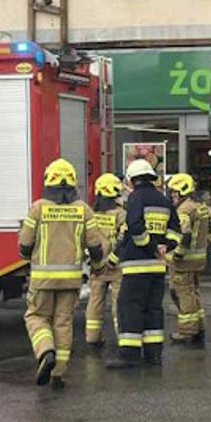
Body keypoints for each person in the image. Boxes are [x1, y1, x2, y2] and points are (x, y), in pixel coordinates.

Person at [20, 158, 105, 389]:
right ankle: (58, 372)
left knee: (36, 317)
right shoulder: (84, 210)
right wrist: (97, 266)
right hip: (71, 280)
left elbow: (24, 245)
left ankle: (45, 351)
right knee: (63, 322)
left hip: (42, 280)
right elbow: (96, 247)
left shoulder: (38, 208)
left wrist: (29, 257)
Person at [107, 157, 179, 368]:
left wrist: (150, 246)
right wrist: (166, 246)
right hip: (158, 267)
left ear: (132, 180)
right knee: (153, 309)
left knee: (130, 308)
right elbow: (176, 231)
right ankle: (153, 355)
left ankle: (129, 356)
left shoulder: (136, 198)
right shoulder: (164, 200)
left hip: (136, 266)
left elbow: (135, 227)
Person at [166, 172, 211, 345]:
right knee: (194, 292)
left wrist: (177, 255)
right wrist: (206, 242)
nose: (172, 195)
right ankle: (199, 326)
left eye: (174, 192)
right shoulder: (201, 206)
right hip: (199, 259)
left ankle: (187, 331)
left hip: (185, 261)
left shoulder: (183, 210)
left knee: (183, 294)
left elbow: (185, 235)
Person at [84, 172, 126, 348]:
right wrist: (113, 260)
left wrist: (92, 261)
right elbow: (124, 238)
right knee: (119, 305)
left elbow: (84, 239)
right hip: (115, 267)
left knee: (95, 303)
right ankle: (121, 338)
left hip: (97, 266)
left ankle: (93, 337)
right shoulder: (120, 214)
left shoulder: (91, 214)